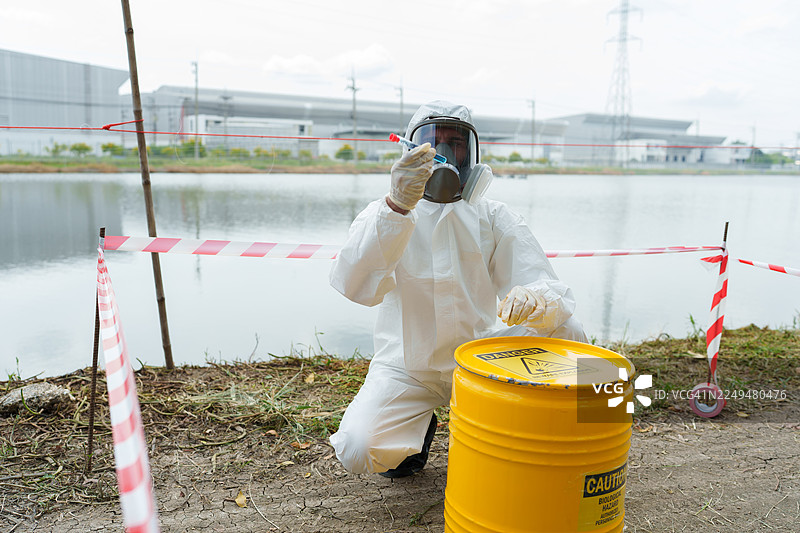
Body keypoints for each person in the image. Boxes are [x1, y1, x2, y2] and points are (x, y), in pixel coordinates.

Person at [328, 101, 587, 478]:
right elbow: (354, 286)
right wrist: (397, 208)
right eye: (434, 141)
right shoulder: (384, 213)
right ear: (410, 150)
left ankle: (593, 427)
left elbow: (544, 283)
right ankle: (414, 435)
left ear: (471, 153)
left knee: (569, 330)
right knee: (358, 449)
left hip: (485, 355)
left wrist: (535, 298)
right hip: (409, 366)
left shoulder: (493, 214)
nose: (445, 151)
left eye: (456, 142)